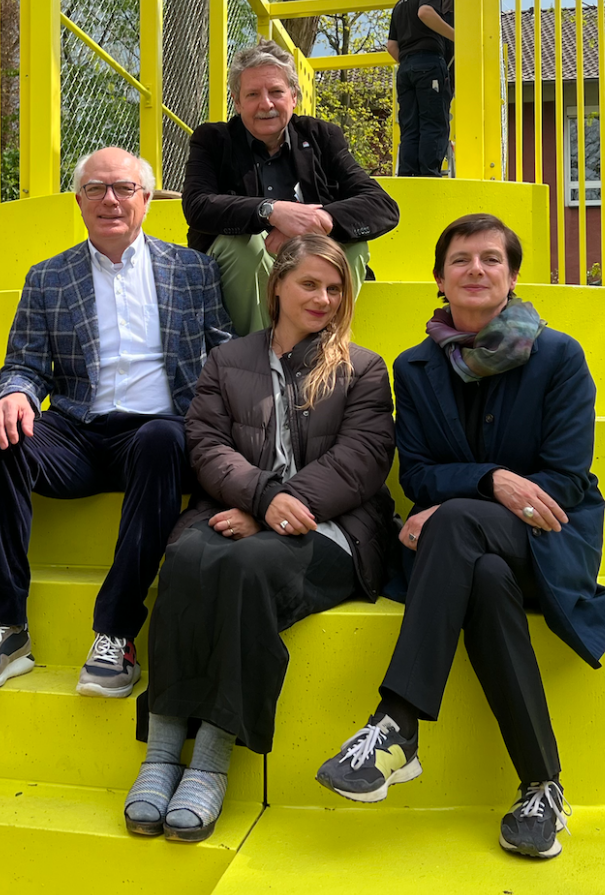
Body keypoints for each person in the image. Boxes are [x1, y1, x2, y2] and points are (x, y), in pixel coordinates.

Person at [313, 213, 605, 860]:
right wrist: (493, 482)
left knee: (453, 522)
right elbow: (420, 473)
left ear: (512, 278)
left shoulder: (559, 356)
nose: (476, 270)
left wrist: (470, 496)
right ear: (439, 278)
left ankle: (397, 720)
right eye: (461, 260)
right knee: (481, 576)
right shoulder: (416, 366)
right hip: (471, 553)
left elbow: (563, 482)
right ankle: (542, 785)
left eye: (491, 259)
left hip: (548, 541)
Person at [124, 234, 396, 842]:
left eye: (334, 288)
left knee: (248, 570)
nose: (324, 298)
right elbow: (205, 443)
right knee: (188, 556)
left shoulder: (364, 367)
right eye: (310, 284)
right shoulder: (227, 360)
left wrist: (281, 506)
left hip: (336, 528)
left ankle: (212, 761)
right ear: (276, 285)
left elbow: (363, 459)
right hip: (237, 510)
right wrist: (261, 499)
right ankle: (163, 752)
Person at [0, 146, 233, 699]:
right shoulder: (48, 277)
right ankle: (6, 626)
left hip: (157, 434)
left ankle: (115, 632)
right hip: (78, 431)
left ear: (147, 199)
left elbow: (222, 355)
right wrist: (13, 395)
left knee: (162, 438)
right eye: (96, 190)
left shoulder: (193, 270)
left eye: (124, 188)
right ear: (79, 201)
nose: (110, 200)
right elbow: (24, 364)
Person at [181, 39, 400, 337]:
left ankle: (321, 350)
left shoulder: (322, 136)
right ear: (237, 101)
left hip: (309, 261)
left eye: (276, 92)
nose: (266, 104)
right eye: (253, 94)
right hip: (247, 268)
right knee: (246, 247)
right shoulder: (213, 140)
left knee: (356, 247)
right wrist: (270, 211)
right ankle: (256, 359)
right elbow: (198, 205)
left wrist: (316, 222)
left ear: (293, 97)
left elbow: (382, 206)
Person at [387, 0, 455, 177]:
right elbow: (425, 12)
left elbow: (391, 47)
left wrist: (410, 64)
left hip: (405, 69)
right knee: (433, 121)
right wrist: (457, 37)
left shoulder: (399, 6)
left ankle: (408, 175)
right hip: (429, 62)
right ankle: (429, 175)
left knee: (410, 126)